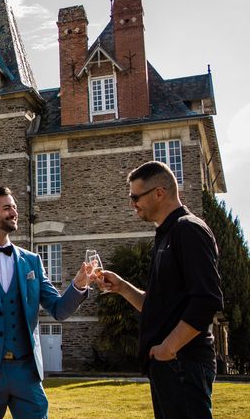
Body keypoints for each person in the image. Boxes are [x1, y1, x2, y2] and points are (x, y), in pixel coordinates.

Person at [0, 186, 92, 419]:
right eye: (7, 208)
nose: (14, 212)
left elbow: (59, 309)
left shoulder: (31, 261)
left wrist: (79, 284)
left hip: (26, 373)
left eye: (14, 207)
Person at [101, 161, 223, 419]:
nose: (132, 204)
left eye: (135, 197)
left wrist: (169, 347)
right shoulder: (165, 235)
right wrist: (122, 287)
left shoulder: (188, 229)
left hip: (183, 362)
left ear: (159, 192)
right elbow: (158, 306)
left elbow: (207, 300)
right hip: (168, 364)